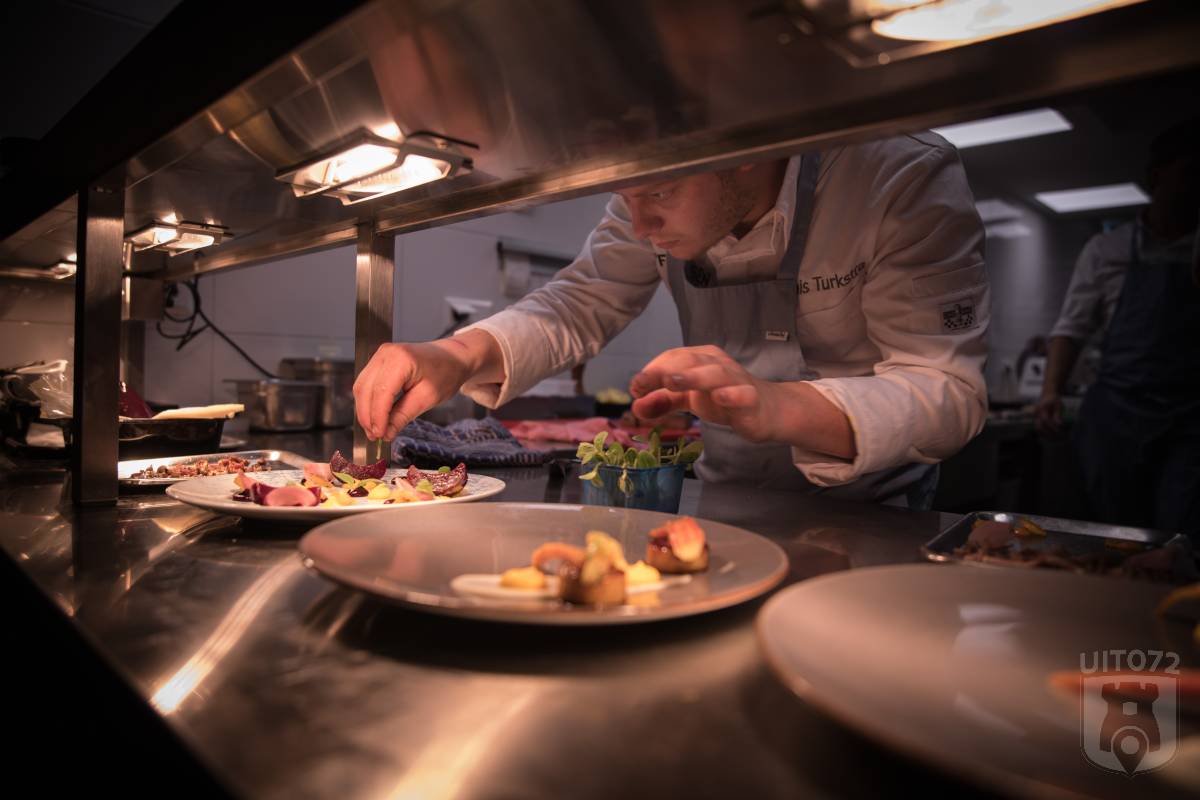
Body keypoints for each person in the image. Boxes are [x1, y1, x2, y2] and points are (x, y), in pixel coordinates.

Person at [355, 132, 991, 509]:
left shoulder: (898, 177)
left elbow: (948, 391)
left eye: (660, 194)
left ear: (748, 150)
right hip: (725, 501)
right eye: (626, 197)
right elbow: (580, 299)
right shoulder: (648, 204)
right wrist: (459, 353)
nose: (640, 226)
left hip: (872, 517)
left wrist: (776, 404)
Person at [1036, 118, 1200, 533]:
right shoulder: (1107, 248)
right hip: (1116, 416)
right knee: (1114, 530)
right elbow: (1070, 327)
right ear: (1158, 175)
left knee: (1180, 531)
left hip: (1189, 417)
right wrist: (1051, 391)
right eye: (1190, 172)